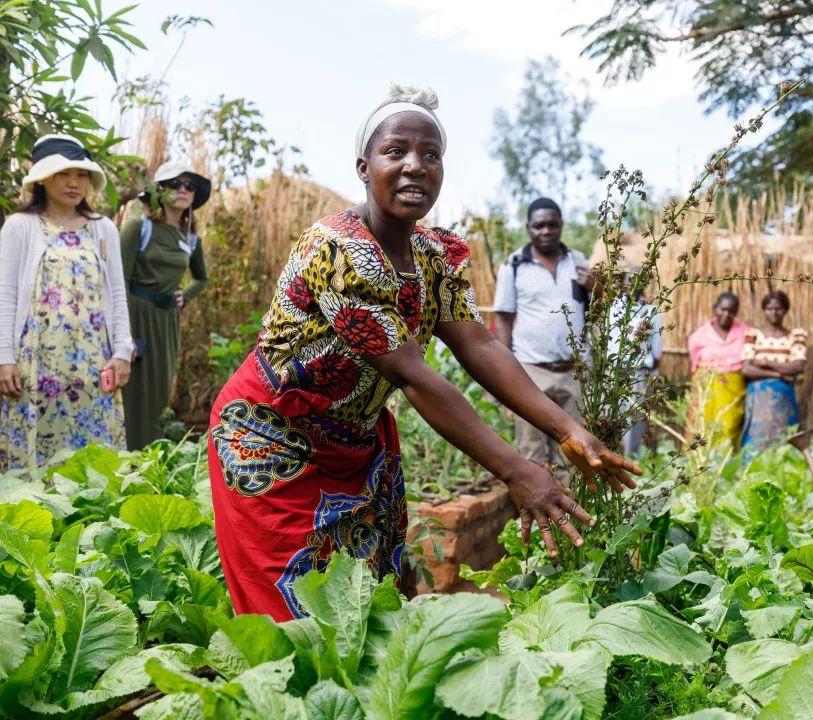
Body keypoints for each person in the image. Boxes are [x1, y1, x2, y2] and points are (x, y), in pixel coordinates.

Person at [207, 85, 638, 620]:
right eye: (396, 152)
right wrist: (518, 471)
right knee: (295, 618)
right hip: (273, 442)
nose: (415, 166)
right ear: (364, 168)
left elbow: (478, 344)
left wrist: (568, 430)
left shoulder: (436, 255)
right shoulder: (339, 251)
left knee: (378, 600)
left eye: (430, 155)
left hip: (355, 444)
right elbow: (413, 376)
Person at [0, 134, 132, 471]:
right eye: (63, 174)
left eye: (81, 174)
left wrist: (120, 352)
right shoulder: (19, 226)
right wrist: (4, 358)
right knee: (35, 462)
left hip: (93, 363)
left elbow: (117, 292)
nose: (74, 183)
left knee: (94, 462)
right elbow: (6, 294)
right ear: (43, 178)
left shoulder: (102, 229)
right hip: (36, 364)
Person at [492, 197, 592, 481]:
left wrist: (596, 287)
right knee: (532, 455)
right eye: (539, 226)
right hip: (530, 373)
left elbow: (598, 311)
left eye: (552, 225)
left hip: (573, 372)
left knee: (572, 454)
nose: (545, 231)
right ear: (528, 227)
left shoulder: (579, 261)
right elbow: (503, 321)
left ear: (561, 225)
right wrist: (504, 375)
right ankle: (535, 524)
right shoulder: (513, 265)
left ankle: (569, 522)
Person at [121, 161, 211, 449]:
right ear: (159, 191)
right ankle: (124, 455)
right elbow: (118, 280)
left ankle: (150, 459)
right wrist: (122, 333)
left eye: (190, 186)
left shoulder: (191, 239)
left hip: (167, 321)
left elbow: (201, 278)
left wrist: (187, 295)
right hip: (135, 314)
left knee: (160, 392)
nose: (183, 190)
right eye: (175, 184)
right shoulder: (139, 227)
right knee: (130, 389)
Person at [740, 290, 807, 454]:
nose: (774, 313)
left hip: (784, 397)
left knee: (783, 439)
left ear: (785, 310)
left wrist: (765, 363)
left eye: (779, 308)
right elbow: (746, 369)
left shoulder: (795, 336)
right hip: (758, 398)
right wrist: (778, 374)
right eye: (769, 308)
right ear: (764, 310)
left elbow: (797, 366)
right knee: (755, 439)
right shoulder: (753, 335)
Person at [607, 269, 662, 456]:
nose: (633, 284)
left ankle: (631, 463)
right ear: (623, 282)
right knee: (609, 416)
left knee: (633, 421)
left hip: (639, 372)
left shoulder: (651, 311)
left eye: (639, 280)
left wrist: (652, 377)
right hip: (613, 371)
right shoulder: (612, 306)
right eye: (630, 280)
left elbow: (656, 348)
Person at [687, 292, 749, 448]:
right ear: (715, 308)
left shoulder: (744, 333)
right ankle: (697, 469)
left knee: (728, 428)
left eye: (732, 311)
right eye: (723, 309)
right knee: (701, 426)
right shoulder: (699, 336)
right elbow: (695, 364)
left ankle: (724, 469)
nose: (726, 314)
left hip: (733, 388)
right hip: (706, 388)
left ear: (736, 313)